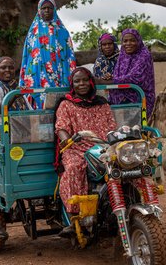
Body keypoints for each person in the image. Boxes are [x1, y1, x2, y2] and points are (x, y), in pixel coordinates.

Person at [55, 67, 117, 225]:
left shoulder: (102, 104)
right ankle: (74, 217)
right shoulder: (66, 104)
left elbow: (112, 126)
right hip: (76, 149)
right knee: (74, 168)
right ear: (72, 84)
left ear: (91, 82)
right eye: (77, 81)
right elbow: (61, 127)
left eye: (84, 80)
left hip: (102, 148)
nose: (81, 83)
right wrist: (66, 139)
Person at [19, 0, 76, 109]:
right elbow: (26, 56)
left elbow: (70, 56)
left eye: (49, 8)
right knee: (37, 109)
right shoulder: (32, 33)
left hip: (58, 75)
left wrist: (71, 77)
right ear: (39, 10)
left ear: (54, 10)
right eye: (43, 8)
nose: (46, 10)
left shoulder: (63, 32)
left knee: (58, 107)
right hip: (36, 76)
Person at [102, 29, 156, 119]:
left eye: (132, 40)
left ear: (138, 41)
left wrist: (111, 81)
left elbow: (135, 77)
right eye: (125, 41)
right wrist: (111, 77)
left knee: (133, 129)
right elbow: (120, 77)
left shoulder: (144, 55)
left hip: (138, 99)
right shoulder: (122, 56)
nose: (128, 43)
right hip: (121, 100)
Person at [0, 56, 30, 142]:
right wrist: (14, 95)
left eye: (11, 68)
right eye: (3, 67)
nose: (7, 70)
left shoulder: (15, 88)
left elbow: (29, 110)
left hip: (21, 130)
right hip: (2, 132)